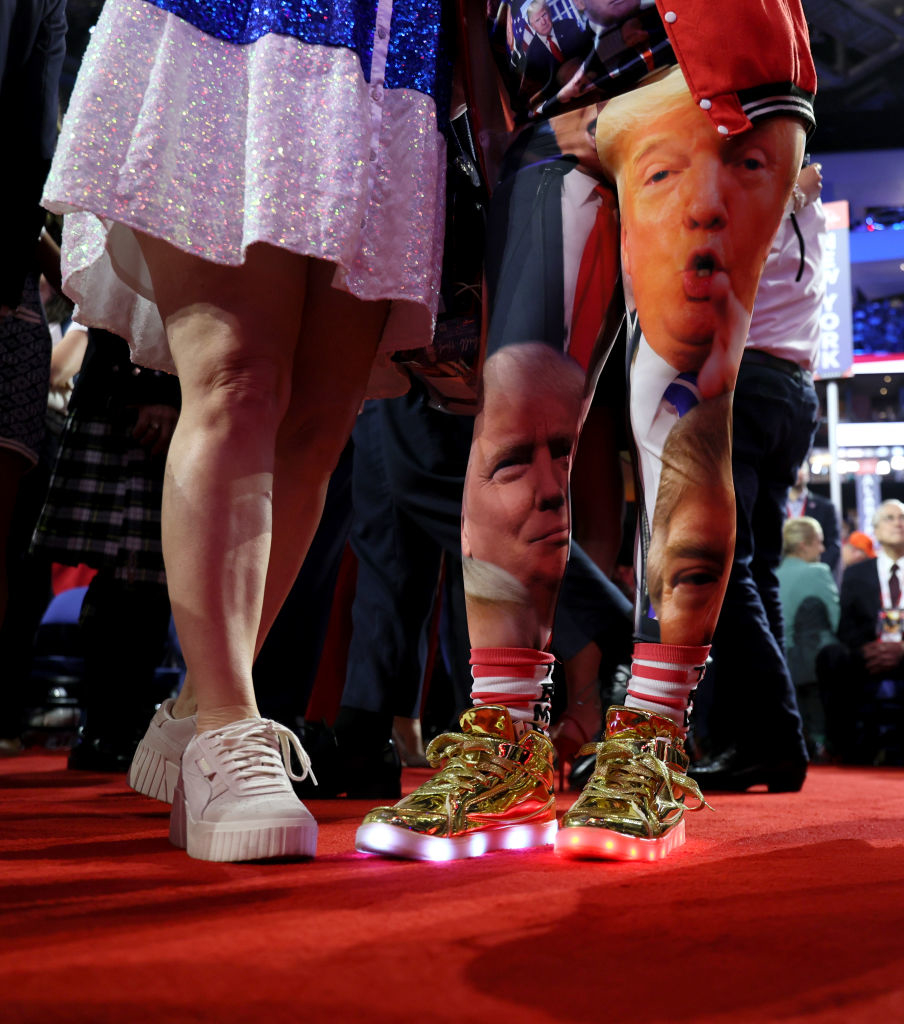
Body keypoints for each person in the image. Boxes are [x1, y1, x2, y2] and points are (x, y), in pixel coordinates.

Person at [357, 3, 814, 862]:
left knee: (676, 414)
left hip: (697, 75)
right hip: (547, 108)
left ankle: (648, 744)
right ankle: (502, 749)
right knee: (512, 424)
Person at [42, 0, 451, 861]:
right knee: (234, 375)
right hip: (230, 23)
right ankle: (230, 723)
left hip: (391, 44)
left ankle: (199, 711)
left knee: (320, 421)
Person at [689, 162, 827, 791]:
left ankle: (775, 737)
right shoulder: (808, 200)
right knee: (755, 567)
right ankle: (763, 737)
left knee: (728, 566)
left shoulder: (758, 193)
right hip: (795, 390)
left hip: (750, 380)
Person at [822, 499, 904, 763]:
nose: (898, 523)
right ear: (876, 530)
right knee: (831, 655)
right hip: (869, 653)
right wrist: (870, 649)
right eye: (889, 518)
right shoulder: (857, 573)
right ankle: (842, 747)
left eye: (902, 517)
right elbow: (846, 626)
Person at [776, 516, 840, 758]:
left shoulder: (774, 575)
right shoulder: (818, 572)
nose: (823, 549)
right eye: (819, 542)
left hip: (781, 669)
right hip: (813, 670)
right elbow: (836, 621)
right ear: (804, 544)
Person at [787, 460, 841, 576]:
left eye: (800, 468)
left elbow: (833, 545)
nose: (796, 472)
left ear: (808, 474)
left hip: (814, 572)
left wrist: (818, 570)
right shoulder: (774, 506)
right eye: (792, 468)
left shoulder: (825, 507)